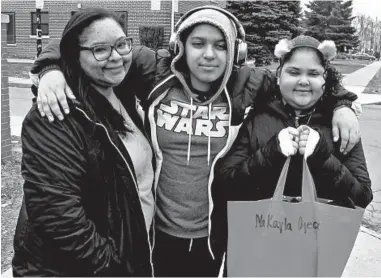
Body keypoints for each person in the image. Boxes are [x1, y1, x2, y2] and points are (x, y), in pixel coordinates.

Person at [28, 6, 361, 277]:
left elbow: (302, 82)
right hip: (152, 234)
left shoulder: (249, 83)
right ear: (180, 46)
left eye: (220, 45)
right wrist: (50, 70)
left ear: (234, 51)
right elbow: (86, 40)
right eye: (198, 43)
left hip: (210, 239)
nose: (209, 55)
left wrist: (343, 103)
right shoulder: (154, 71)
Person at [12, 8, 155, 277]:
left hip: (128, 254)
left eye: (122, 44)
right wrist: (114, 267)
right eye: (100, 49)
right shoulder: (55, 113)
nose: (116, 56)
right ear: (75, 57)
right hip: (83, 268)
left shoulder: (122, 92)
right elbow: (58, 216)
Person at [215, 35, 373, 228]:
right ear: (279, 78)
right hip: (258, 242)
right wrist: (270, 153)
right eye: (294, 72)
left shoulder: (340, 124)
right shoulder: (257, 118)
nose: (303, 81)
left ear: (326, 79)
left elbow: (362, 196)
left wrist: (322, 158)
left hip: (318, 246)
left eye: (313, 74)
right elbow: (225, 186)